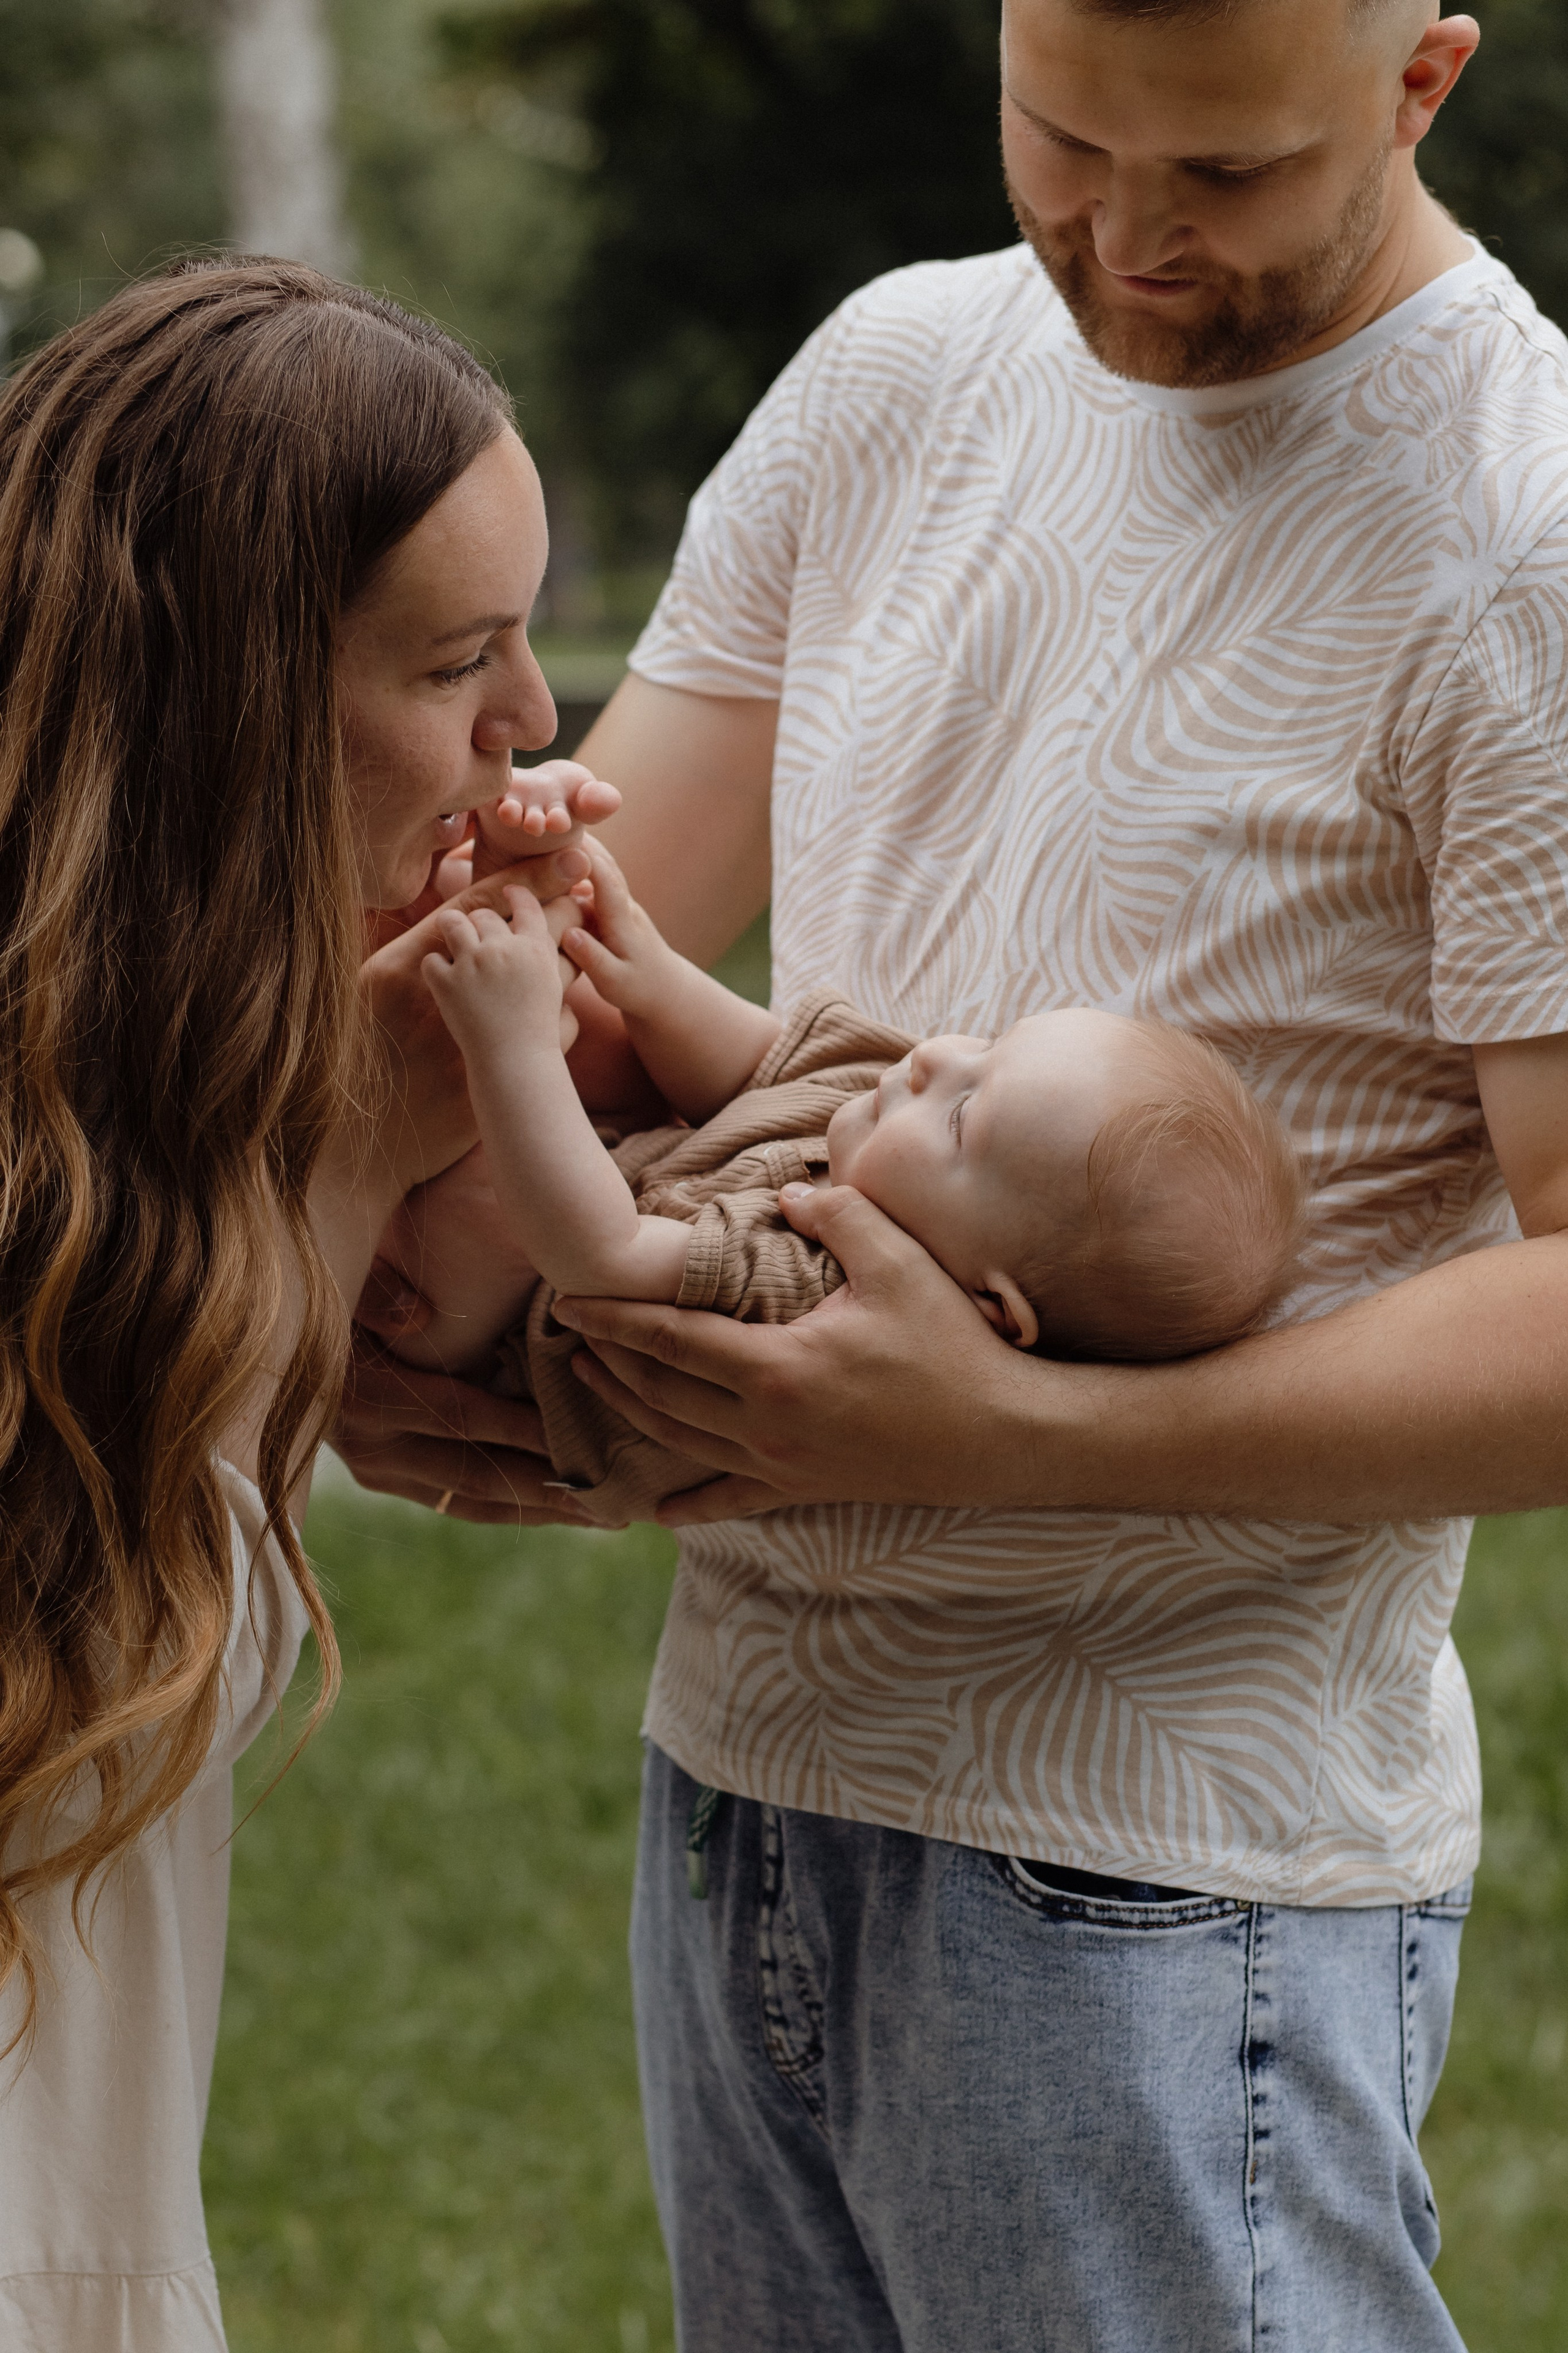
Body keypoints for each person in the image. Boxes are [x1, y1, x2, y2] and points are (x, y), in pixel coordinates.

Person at [340, 0, 1568, 2343]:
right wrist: (355, 1342)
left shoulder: (1533, 526)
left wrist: (1034, 1440)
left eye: (1221, 177)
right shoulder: (896, 373)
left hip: (1158, 1891)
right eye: (1060, 135)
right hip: (746, 1790)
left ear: (1422, 81)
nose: (1120, 241)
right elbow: (555, 952)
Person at [0, 258, 586, 2351]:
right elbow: (82, 1700)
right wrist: (345, 1165)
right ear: (229, 707)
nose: (530, 723)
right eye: (458, 661)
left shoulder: (142, 1106)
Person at [369, 840, 1304, 1522]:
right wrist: (644, 968)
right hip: (608, 1187)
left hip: (503, 1342)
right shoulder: (891, 1110)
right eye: (988, 1043)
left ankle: (338, 1209)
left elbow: (594, 1249)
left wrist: (517, 1042)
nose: (935, 1057)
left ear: (989, 1304)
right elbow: (755, 1066)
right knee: (492, 966)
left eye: (964, 1117)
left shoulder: (815, 1304)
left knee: (493, 1133)